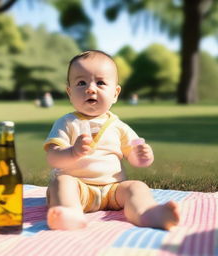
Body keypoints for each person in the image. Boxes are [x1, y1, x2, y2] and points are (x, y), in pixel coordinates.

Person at [44, 50, 179, 231]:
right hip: (78, 188)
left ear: (115, 93)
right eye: (81, 83)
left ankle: (146, 212)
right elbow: (53, 157)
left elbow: (134, 157)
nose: (90, 88)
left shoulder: (118, 126)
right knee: (61, 183)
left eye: (100, 82)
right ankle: (69, 213)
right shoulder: (67, 123)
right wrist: (71, 152)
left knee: (137, 187)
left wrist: (142, 156)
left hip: (113, 190)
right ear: (69, 92)